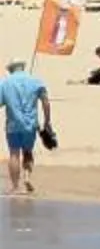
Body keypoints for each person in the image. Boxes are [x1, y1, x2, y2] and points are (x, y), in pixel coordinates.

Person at [1, 59, 53, 195]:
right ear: (22, 67)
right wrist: (47, 121)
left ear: (11, 69)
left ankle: (15, 187)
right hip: (31, 124)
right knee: (28, 151)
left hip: (13, 125)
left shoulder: (4, 83)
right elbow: (46, 101)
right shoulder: (36, 81)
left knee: (14, 154)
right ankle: (27, 177)